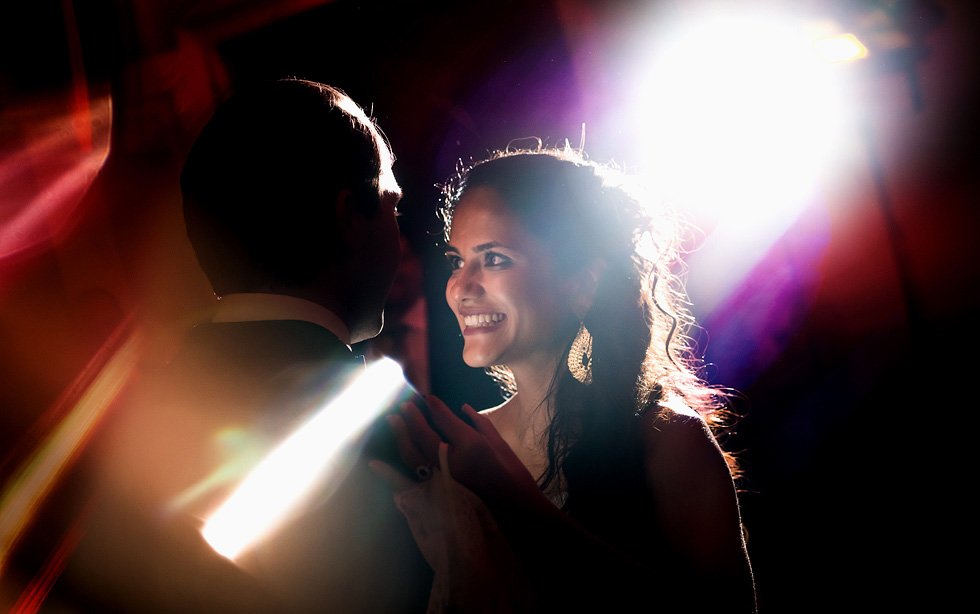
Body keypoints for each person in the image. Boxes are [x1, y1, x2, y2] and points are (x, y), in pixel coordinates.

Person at [43, 79, 432, 612]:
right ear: (349, 217)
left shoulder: (123, 418)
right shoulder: (392, 431)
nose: (399, 237)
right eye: (392, 207)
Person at [374, 147, 757, 612]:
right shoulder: (461, 445)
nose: (460, 287)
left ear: (583, 283)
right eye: (457, 260)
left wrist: (509, 500)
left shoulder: (668, 441)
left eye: (494, 259)